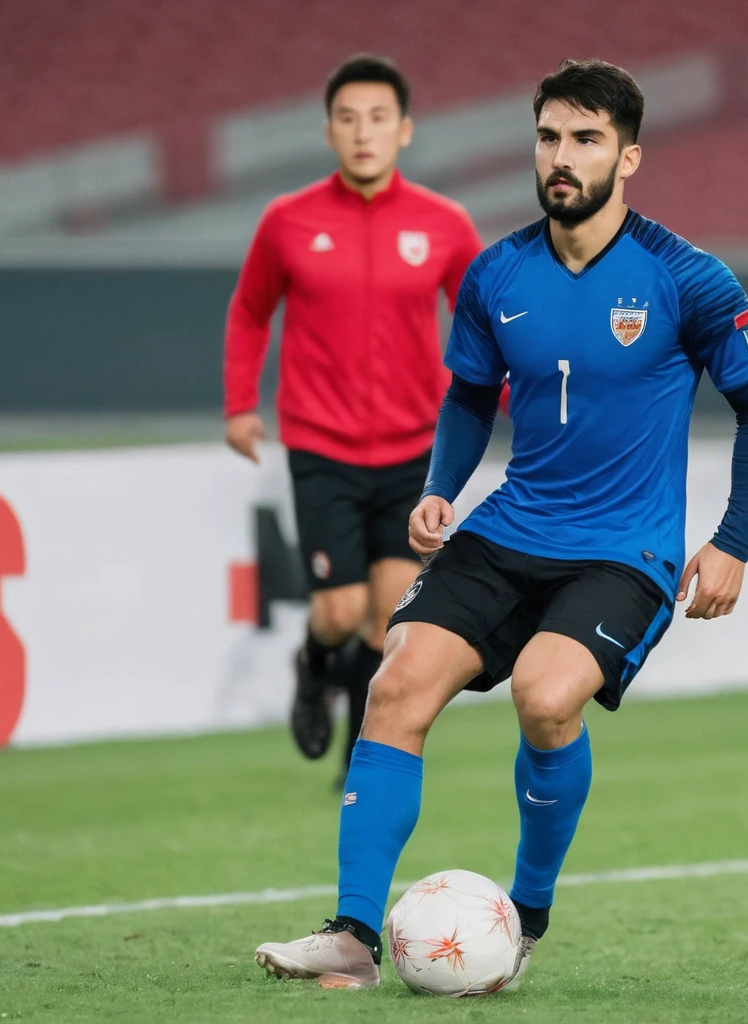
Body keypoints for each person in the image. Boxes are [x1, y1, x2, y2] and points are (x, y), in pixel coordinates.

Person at [253, 58, 748, 990]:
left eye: (585, 140)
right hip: (510, 526)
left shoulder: (686, 278)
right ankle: (350, 935)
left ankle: (527, 912)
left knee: (545, 698)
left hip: (627, 547)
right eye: (549, 137)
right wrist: (440, 486)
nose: (561, 157)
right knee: (396, 684)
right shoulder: (497, 273)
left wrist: (733, 539)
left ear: (628, 157)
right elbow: (467, 394)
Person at [223, 54, 484, 783]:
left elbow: (483, 327)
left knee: (386, 620)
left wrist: (506, 402)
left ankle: (360, 748)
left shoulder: (444, 225)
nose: (362, 132)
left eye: (378, 118)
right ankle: (313, 668)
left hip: (412, 454)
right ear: (329, 131)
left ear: (404, 130)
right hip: (324, 448)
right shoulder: (287, 221)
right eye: (347, 118)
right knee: (338, 615)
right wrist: (240, 405)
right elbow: (249, 313)